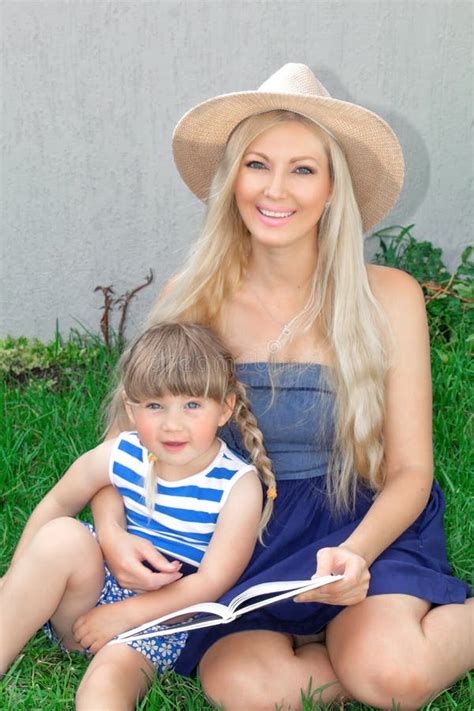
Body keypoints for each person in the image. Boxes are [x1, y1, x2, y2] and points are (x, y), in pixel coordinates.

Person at [92, 63, 473, 710]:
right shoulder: (190, 299)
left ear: (333, 188)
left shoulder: (389, 296)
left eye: (303, 169)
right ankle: (342, 654)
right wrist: (111, 533)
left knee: (393, 678)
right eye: (257, 164)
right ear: (232, 180)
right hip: (240, 542)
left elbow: (411, 469)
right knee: (240, 684)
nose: (277, 189)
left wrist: (354, 555)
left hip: (361, 526)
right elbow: (123, 447)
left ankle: (380, 642)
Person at [0, 322, 277, 710]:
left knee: (103, 687)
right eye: (154, 406)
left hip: (160, 618)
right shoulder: (123, 453)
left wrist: (122, 616)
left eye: (192, 405)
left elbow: (212, 582)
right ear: (131, 408)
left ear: (224, 408)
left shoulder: (237, 485)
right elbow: (57, 503)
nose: (172, 424)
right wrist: (16, 580)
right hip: (91, 596)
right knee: (61, 535)